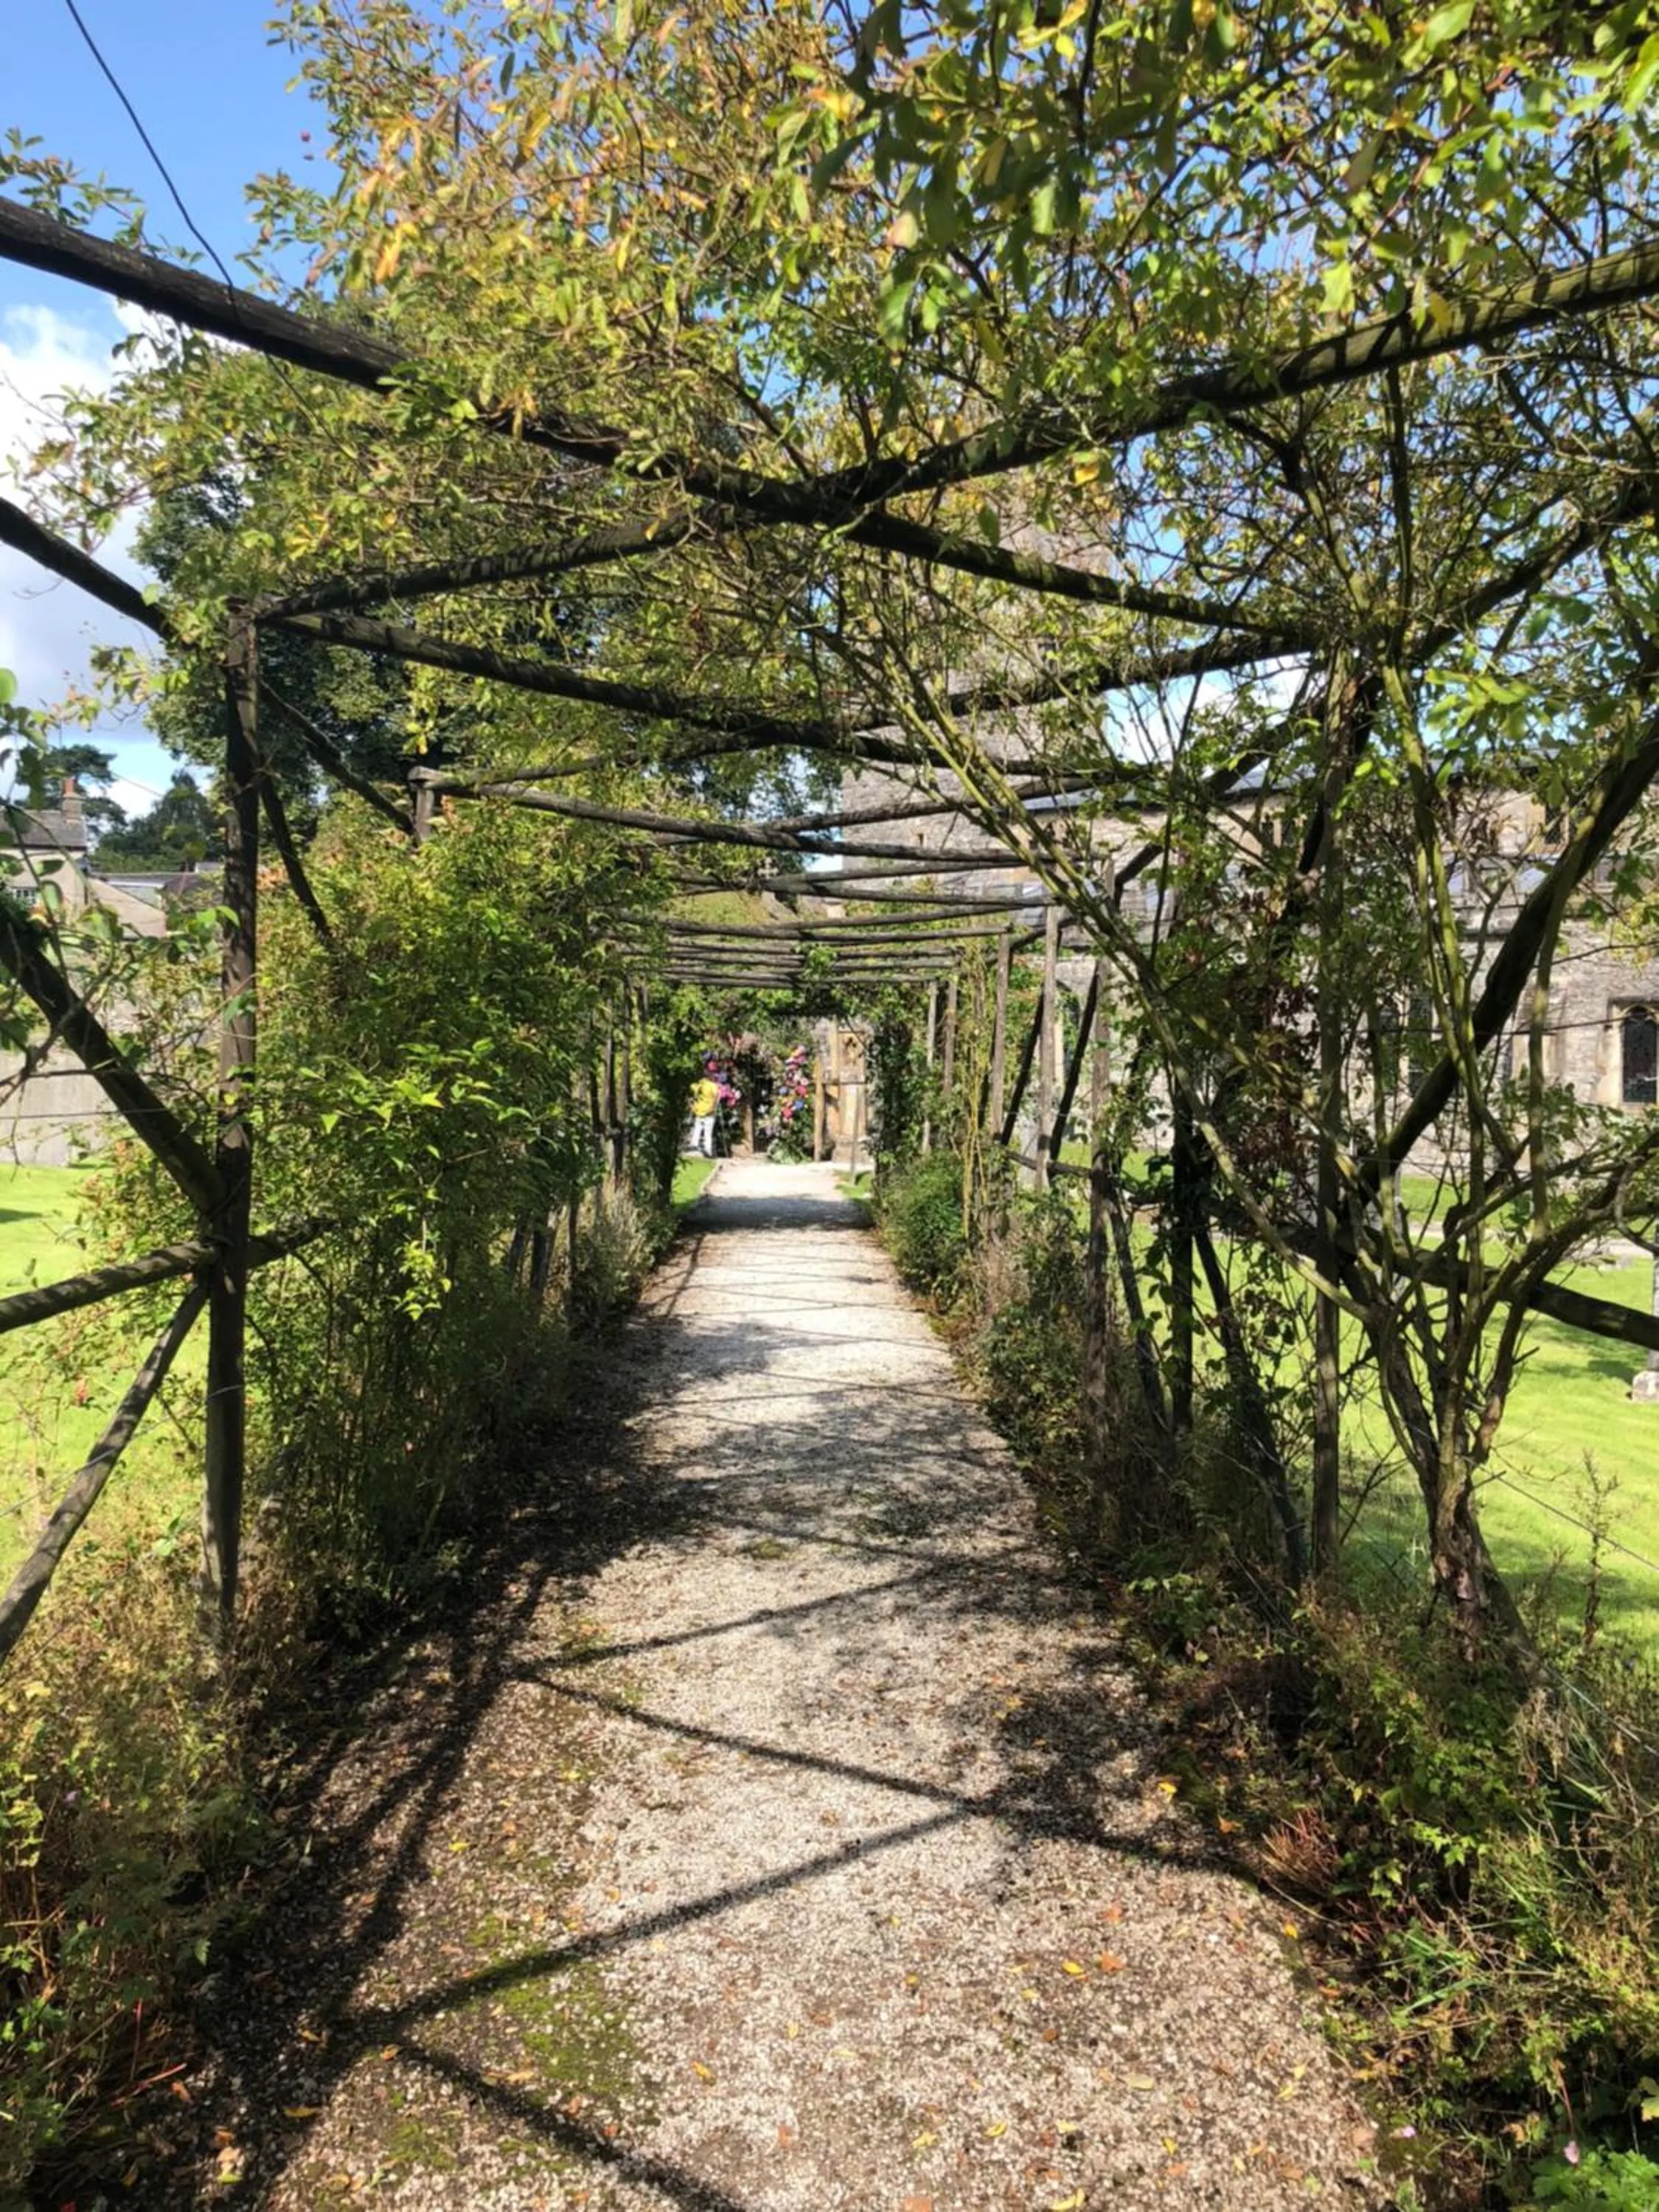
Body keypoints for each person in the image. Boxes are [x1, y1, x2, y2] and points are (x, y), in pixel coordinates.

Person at [687, 1064, 720, 1155]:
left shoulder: (700, 1084)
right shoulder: (713, 1086)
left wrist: (692, 1105)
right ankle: (708, 1150)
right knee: (708, 1133)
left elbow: (692, 1090)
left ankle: (694, 1145)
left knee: (697, 1129)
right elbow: (717, 1095)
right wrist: (713, 1107)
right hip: (709, 1112)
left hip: (699, 1110)